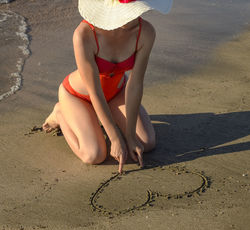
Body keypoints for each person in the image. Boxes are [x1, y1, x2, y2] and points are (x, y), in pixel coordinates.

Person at [42, 0, 173, 173]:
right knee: (94, 155)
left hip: (116, 92)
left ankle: (108, 118)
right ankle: (60, 113)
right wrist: (115, 137)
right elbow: (94, 92)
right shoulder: (85, 34)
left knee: (147, 143)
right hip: (78, 96)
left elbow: (135, 84)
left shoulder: (146, 32)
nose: (136, 14)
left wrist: (130, 136)